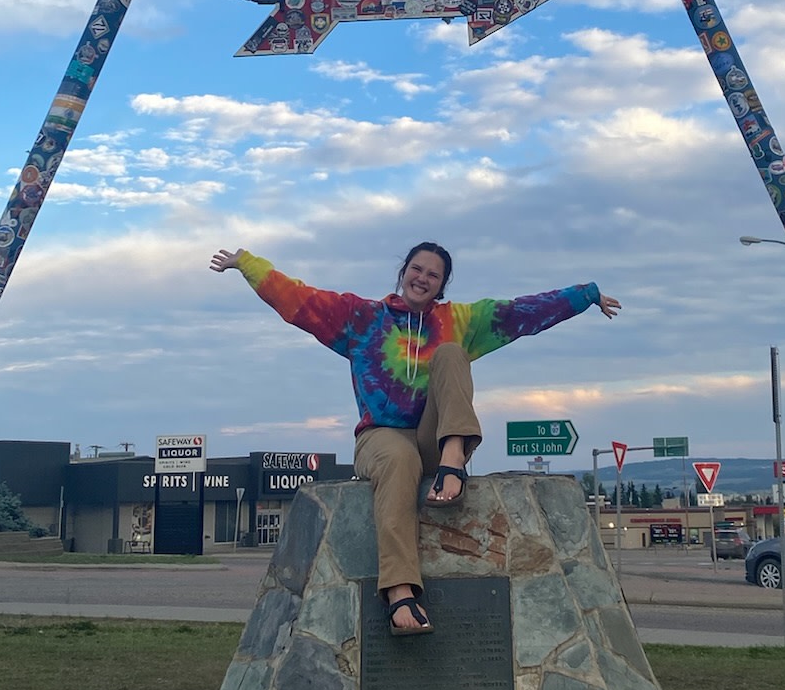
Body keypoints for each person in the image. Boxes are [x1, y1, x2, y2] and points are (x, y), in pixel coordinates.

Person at [210, 242, 621, 634]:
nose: (422, 279)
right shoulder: (361, 318)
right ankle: (400, 591)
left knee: (452, 354)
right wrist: (247, 263)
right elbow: (300, 300)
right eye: (416, 270)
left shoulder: (458, 320)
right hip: (381, 439)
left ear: (442, 286)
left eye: (434, 275)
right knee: (399, 460)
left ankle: (454, 458)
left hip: (436, 441)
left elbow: (519, 313)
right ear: (403, 272)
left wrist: (585, 295)